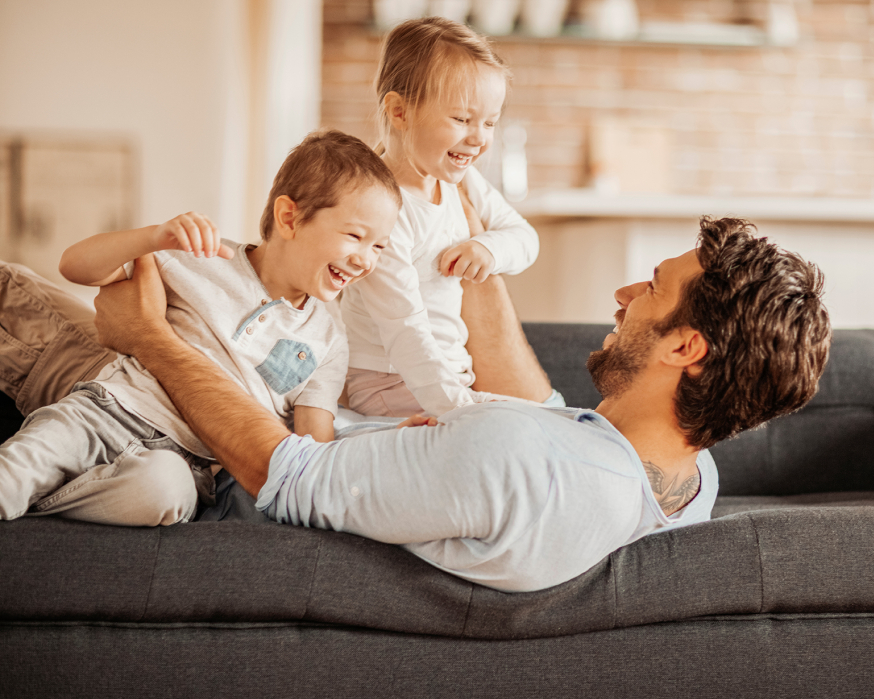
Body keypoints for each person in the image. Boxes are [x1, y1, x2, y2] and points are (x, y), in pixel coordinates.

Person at [92, 216, 832, 591]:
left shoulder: (520, 464)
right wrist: (472, 247)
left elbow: (283, 473)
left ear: (685, 348)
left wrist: (153, 338)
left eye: (652, 289)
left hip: (192, 455)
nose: (624, 298)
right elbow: (533, 408)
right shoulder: (684, 483)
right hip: (258, 398)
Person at [0, 130, 400, 526]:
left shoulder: (328, 341)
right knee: (13, 476)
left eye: (379, 247)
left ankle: (41, 504)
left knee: (164, 493)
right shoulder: (199, 258)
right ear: (289, 217)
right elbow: (74, 265)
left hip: (183, 465)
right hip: (106, 411)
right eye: (355, 236)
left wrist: (389, 440)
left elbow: (315, 451)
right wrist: (155, 237)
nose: (366, 260)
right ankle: (27, 487)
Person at [341, 16, 561, 418]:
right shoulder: (381, 208)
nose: (479, 138)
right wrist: (458, 410)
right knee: (518, 430)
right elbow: (403, 329)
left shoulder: (462, 183)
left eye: (490, 122)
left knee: (537, 426)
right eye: (461, 119)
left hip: (446, 376)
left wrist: (488, 247)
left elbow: (525, 237)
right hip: (390, 382)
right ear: (400, 111)